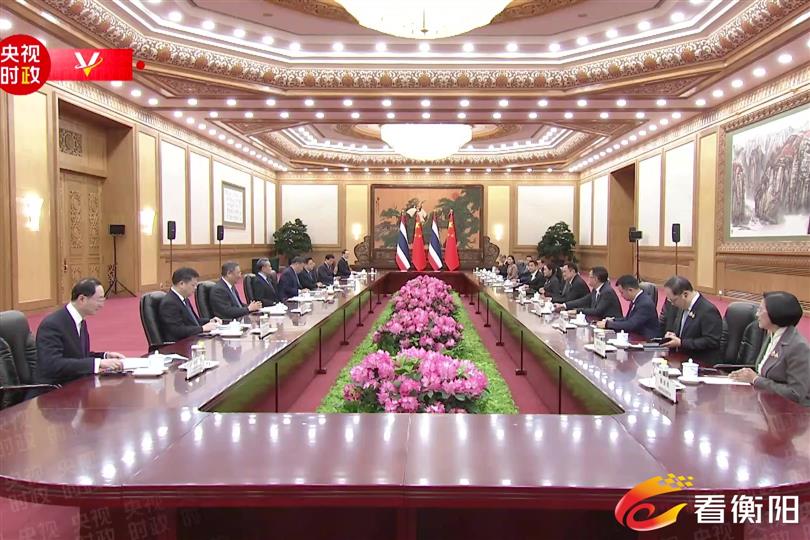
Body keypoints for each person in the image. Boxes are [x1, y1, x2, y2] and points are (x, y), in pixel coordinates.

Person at [35, 278, 125, 386]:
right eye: (99, 300)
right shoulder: (52, 325)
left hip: (74, 384)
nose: (102, 305)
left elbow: (78, 356)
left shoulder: (79, 320)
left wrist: (105, 356)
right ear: (82, 299)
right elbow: (53, 364)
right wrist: (98, 363)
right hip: (53, 389)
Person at [730, 291, 810, 405]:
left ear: (775, 314)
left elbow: (795, 394)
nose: (757, 314)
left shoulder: (798, 347)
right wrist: (746, 375)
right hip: (766, 404)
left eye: (761, 310)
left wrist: (756, 380)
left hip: (789, 412)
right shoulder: (771, 335)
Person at [660, 276, 723, 363]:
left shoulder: (708, 310)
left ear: (685, 294)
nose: (672, 304)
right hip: (683, 358)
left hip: (701, 362)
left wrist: (681, 343)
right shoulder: (683, 305)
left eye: (673, 300)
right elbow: (684, 332)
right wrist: (673, 336)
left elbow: (712, 341)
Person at [158, 267, 222, 342]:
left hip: (191, 340)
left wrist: (209, 321)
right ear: (181, 284)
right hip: (180, 344)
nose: (195, 288)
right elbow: (177, 330)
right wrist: (202, 328)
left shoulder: (184, 299)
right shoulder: (169, 303)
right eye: (193, 285)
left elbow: (193, 321)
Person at [596, 274, 660, 339]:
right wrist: (613, 320)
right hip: (636, 334)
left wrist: (607, 324)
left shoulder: (645, 304)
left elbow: (631, 324)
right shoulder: (637, 299)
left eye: (622, 292)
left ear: (630, 290)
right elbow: (628, 319)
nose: (621, 295)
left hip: (645, 339)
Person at [558, 266, 622, 319]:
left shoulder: (607, 292)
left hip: (612, 324)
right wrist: (565, 305)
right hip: (599, 320)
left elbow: (598, 311)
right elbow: (584, 300)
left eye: (590, 276)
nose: (588, 278)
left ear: (596, 279)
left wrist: (577, 311)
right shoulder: (596, 289)